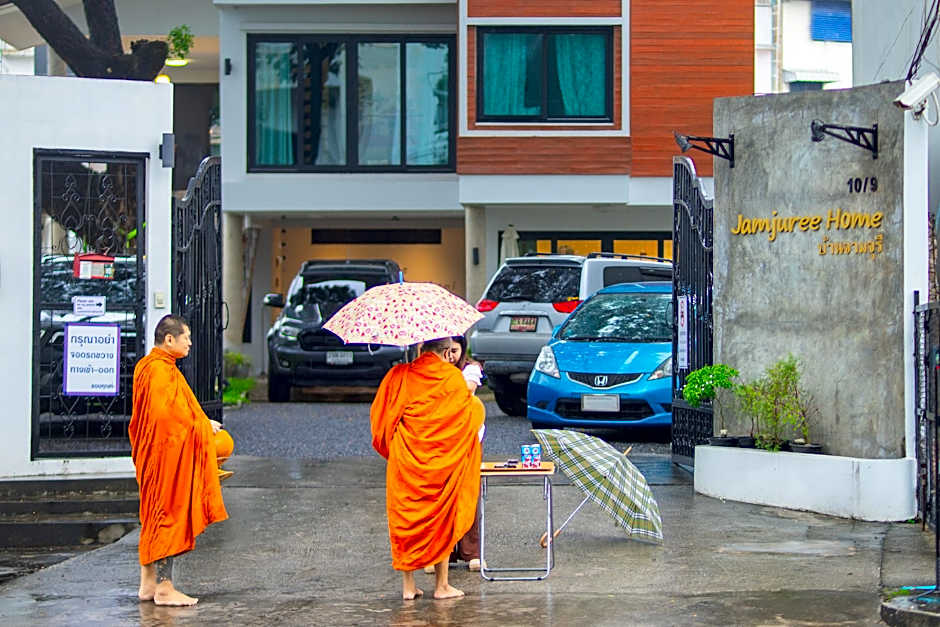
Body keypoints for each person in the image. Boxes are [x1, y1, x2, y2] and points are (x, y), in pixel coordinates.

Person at [371, 337, 485, 600]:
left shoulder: (398, 376)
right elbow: (469, 416)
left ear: (421, 349)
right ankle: (442, 586)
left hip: (406, 461)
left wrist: (395, 446)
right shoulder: (452, 379)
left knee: (405, 519)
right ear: (445, 352)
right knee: (442, 519)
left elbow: (380, 422)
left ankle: (408, 586)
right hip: (443, 464)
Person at [129, 314, 231, 606]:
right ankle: (164, 589)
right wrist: (201, 426)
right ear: (169, 339)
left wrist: (199, 421)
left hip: (156, 455)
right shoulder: (159, 371)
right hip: (165, 458)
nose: (190, 343)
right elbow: (166, 418)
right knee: (166, 515)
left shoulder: (150, 366)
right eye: (186, 337)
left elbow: (174, 411)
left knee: (153, 516)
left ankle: (148, 584)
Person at [425, 336, 484, 573]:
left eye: (454, 350)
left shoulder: (470, 369)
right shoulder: (434, 372)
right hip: (440, 439)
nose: (450, 356)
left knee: (468, 494)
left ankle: (472, 552)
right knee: (440, 497)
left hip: (467, 439)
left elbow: (467, 389)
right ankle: (442, 553)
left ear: (463, 349)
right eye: (446, 350)